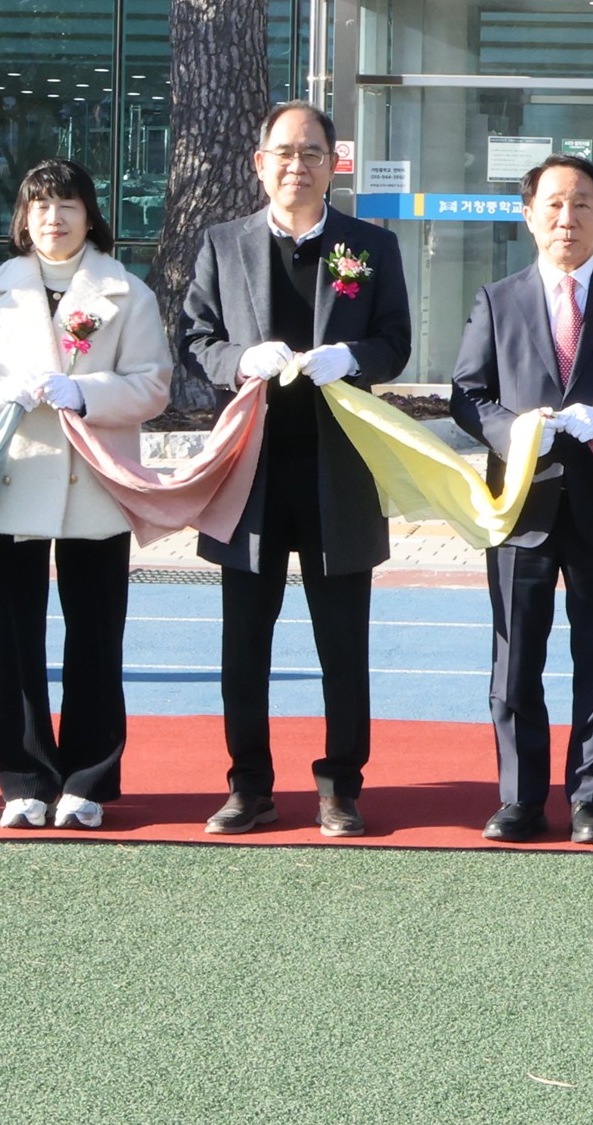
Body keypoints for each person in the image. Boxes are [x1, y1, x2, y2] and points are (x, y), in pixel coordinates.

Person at [178, 101, 416, 837]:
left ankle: (341, 783)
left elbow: (395, 340)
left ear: (333, 162)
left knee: (342, 640)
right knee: (243, 641)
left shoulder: (369, 244)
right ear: (260, 162)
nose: (297, 165)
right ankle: (249, 782)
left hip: (337, 471)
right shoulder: (223, 243)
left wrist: (356, 358)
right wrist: (235, 360)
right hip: (249, 474)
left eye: (313, 152)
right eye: (284, 151)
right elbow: (196, 335)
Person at [449, 156, 593, 844]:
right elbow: (467, 393)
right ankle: (519, 799)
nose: (566, 218)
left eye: (582, 204)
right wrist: (510, 431)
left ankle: (591, 797)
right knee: (515, 659)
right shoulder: (498, 298)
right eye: (552, 203)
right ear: (528, 214)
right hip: (520, 505)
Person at [0, 159, 173, 831]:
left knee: (95, 636)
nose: (53, 217)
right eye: (40, 206)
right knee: (14, 639)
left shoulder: (126, 291)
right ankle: (23, 779)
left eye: (67, 204)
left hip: (96, 483)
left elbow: (153, 383)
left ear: (90, 214)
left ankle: (88, 777)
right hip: (15, 480)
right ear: (22, 217)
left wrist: (87, 393)